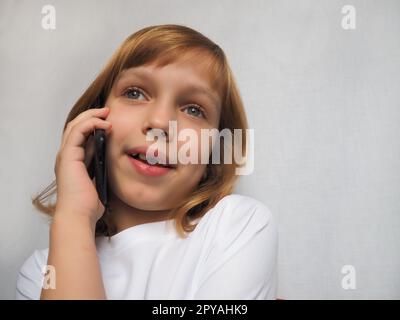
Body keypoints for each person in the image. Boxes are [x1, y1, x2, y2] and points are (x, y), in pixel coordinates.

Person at [16, 24, 278, 300]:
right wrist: (73, 216)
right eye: (135, 93)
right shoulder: (42, 272)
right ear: (95, 125)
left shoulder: (238, 225)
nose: (160, 123)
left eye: (193, 109)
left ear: (214, 151)